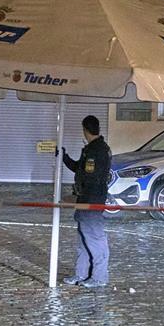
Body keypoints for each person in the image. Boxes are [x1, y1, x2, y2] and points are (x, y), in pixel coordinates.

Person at [59, 115, 112, 288]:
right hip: (85, 198)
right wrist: (64, 157)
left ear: (85, 130)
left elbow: (91, 175)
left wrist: (79, 187)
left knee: (95, 237)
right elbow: (79, 168)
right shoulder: (91, 149)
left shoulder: (99, 150)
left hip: (93, 199)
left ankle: (99, 277)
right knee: (83, 237)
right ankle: (81, 274)